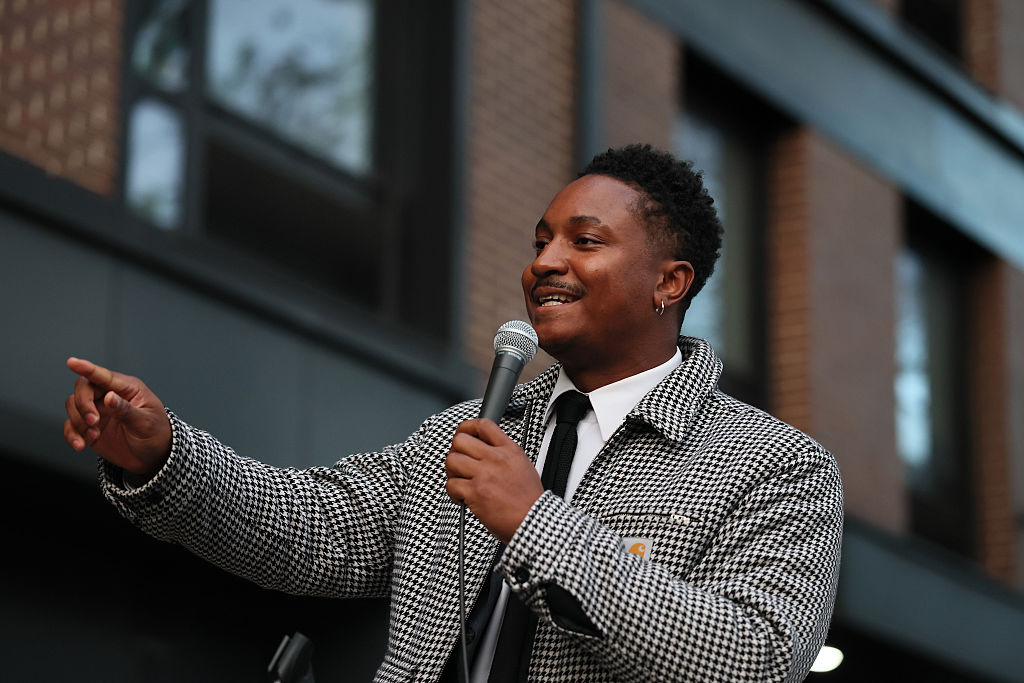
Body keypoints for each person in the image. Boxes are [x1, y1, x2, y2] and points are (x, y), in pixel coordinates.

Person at [63, 144, 842, 682]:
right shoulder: (467, 430)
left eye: (585, 241)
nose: (544, 262)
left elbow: (755, 656)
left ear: (669, 282)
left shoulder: (775, 464)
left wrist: (534, 522)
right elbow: (312, 528)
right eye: (540, 241)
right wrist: (166, 455)